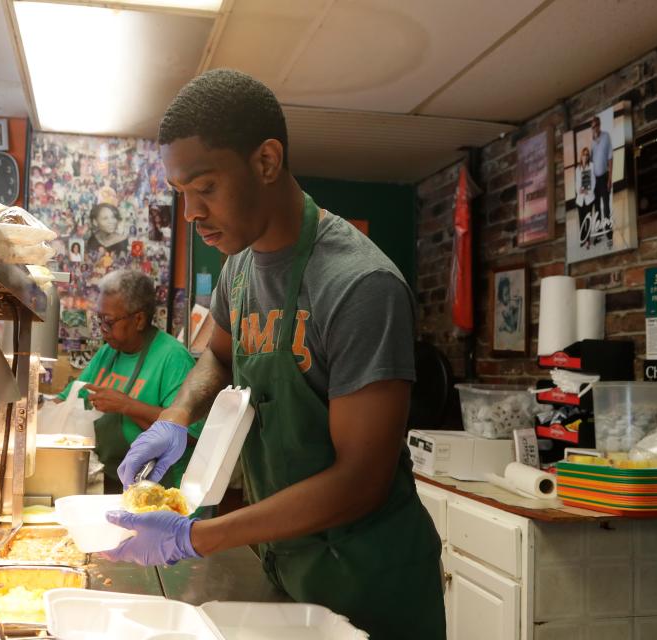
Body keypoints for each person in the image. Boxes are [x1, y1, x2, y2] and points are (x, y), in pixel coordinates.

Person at [103, 69, 445, 640]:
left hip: (369, 581)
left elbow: (360, 480)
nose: (190, 212)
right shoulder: (238, 268)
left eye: (205, 188)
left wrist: (197, 537)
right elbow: (217, 356)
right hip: (289, 564)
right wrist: (176, 416)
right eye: (181, 193)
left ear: (265, 161)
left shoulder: (360, 286)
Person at [56, 270, 202, 493]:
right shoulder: (108, 352)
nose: (103, 328)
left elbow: (191, 432)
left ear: (139, 319)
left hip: (161, 487)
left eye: (109, 321)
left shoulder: (172, 357)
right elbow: (68, 398)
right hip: (116, 478)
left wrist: (127, 405)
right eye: (99, 319)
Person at [590, 115, 613, 244]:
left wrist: (610, 178)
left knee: (606, 205)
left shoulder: (606, 137)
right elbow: (591, 161)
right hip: (595, 179)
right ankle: (598, 234)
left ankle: (609, 232)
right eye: (593, 127)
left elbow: (610, 158)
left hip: (604, 176)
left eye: (596, 125)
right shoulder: (592, 142)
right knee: (597, 207)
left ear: (600, 125)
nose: (595, 128)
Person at [574, 146, 595, 249]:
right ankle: (583, 239)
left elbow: (594, 181)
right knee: (582, 220)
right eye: (584, 154)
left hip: (589, 198)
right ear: (581, 156)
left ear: (588, 156)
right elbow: (576, 183)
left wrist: (588, 191)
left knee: (588, 220)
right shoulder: (578, 169)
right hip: (580, 199)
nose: (585, 156)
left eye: (587, 155)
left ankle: (588, 239)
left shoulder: (591, 166)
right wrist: (579, 190)